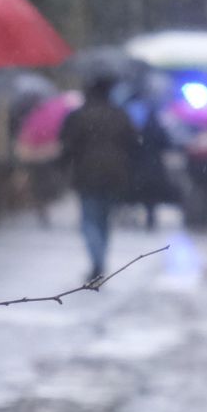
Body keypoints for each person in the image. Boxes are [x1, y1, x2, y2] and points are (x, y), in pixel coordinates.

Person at [59, 76, 138, 282]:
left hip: (87, 173)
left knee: (89, 220)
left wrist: (63, 166)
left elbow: (66, 145)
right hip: (115, 174)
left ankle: (97, 261)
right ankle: (100, 260)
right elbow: (134, 143)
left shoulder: (79, 116)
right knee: (103, 220)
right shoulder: (119, 115)